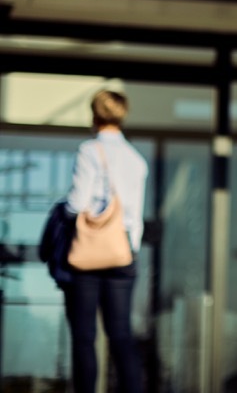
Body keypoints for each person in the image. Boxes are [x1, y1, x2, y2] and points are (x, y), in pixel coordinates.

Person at [63, 89, 148, 393]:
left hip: (90, 252)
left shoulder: (90, 151)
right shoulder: (136, 160)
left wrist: (62, 212)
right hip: (124, 253)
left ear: (94, 115)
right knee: (121, 334)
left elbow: (76, 203)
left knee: (85, 335)